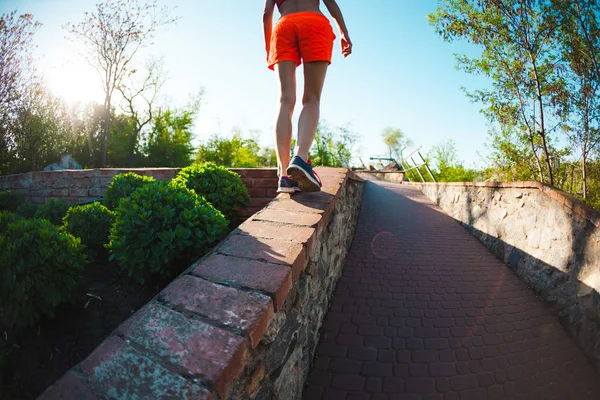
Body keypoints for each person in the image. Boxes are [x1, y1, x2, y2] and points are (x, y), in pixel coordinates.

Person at [263, 0, 352, 193]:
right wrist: (344, 33)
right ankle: (301, 158)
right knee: (312, 99)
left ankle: (284, 176)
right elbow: (332, 5)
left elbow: (266, 14)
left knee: (285, 100)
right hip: (314, 24)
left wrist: (268, 47)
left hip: (283, 26)